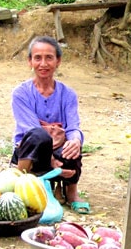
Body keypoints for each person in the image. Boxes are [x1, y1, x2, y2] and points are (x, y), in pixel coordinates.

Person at [10, 36, 90, 213]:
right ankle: (23, 186)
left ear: (58, 61)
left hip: (57, 149)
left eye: (49, 58)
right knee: (39, 136)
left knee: (72, 145)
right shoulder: (20, 93)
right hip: (30, 151)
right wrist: (51, 161)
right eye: (37, 58)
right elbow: (32, 130)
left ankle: (71, 192)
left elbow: (73, 126)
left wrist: (75, 140)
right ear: (30, 61)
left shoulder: (68, 94)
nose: (43, 63)